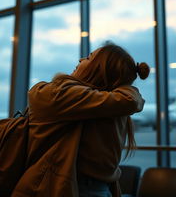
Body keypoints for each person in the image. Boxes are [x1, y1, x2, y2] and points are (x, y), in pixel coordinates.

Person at [11, 41, 150, 197]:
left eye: (89, 58)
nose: (80, 60)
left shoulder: (57, 94)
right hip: (87, 187)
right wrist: (125, 81)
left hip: (55, 187)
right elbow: (130, 100)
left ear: (100, 70)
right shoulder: (113, 107)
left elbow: (130, 100)